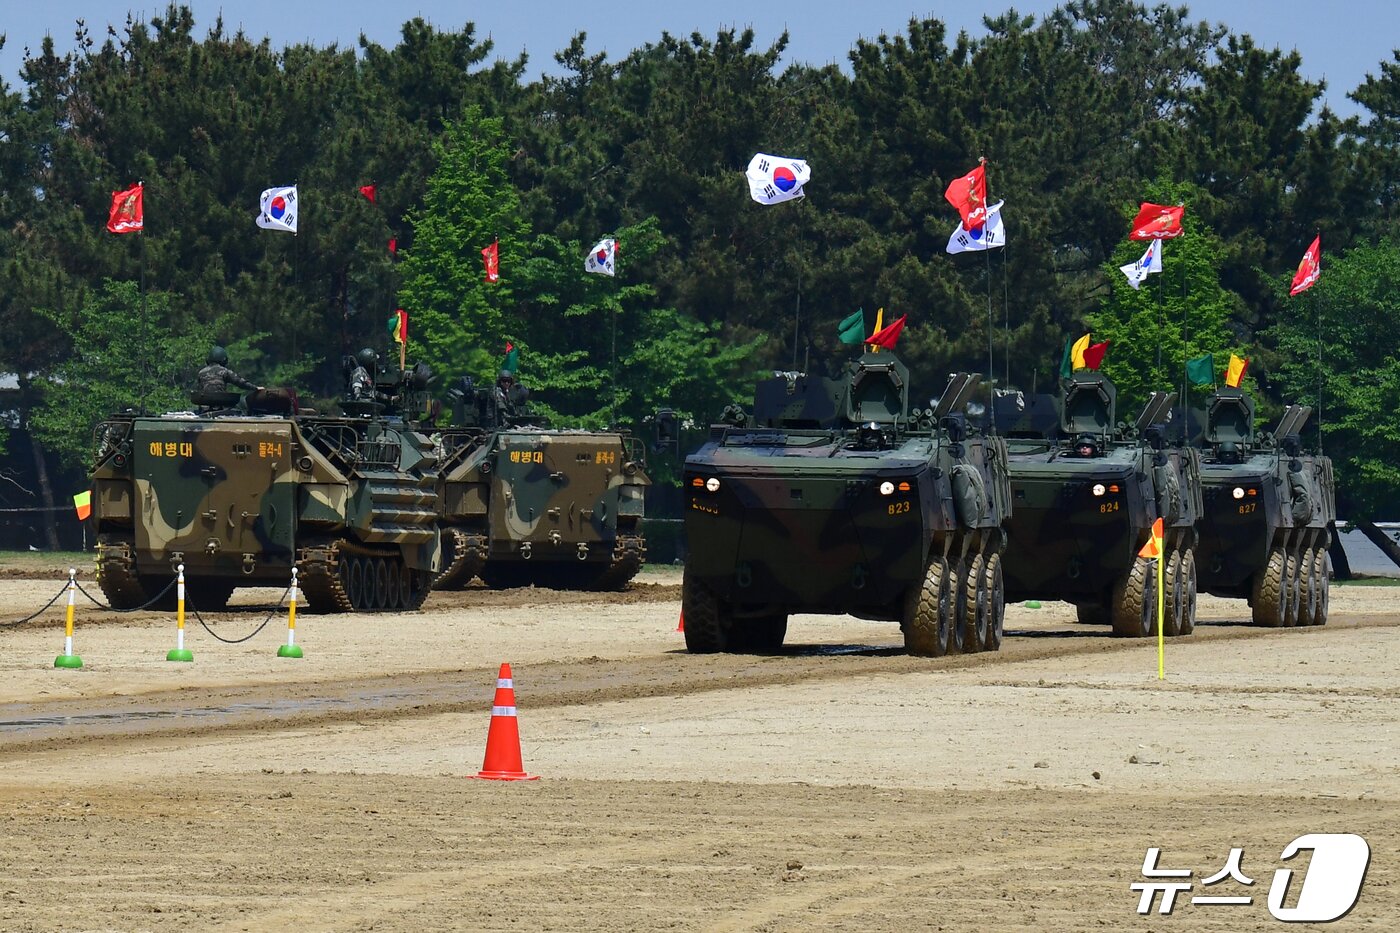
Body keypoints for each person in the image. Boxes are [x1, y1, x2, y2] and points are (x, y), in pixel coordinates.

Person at [197, 346, 261, 394]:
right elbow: (240, 382)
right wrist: (255, 388)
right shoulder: (224, 371)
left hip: (204, 402)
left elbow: (199, 389)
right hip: (220, 401)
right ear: (224, 360)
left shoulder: (201, 372)